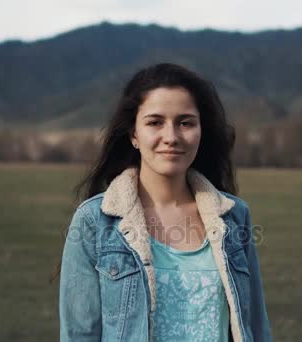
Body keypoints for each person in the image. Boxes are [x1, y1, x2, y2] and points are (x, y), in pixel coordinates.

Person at [57, 63, 273, 341]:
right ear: (134, 134)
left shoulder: (235, 216)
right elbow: (79, 334)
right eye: (154, 122)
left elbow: (255, 326)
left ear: (201, 131)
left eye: (185, 122)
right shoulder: (93, 220)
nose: (171, 137)